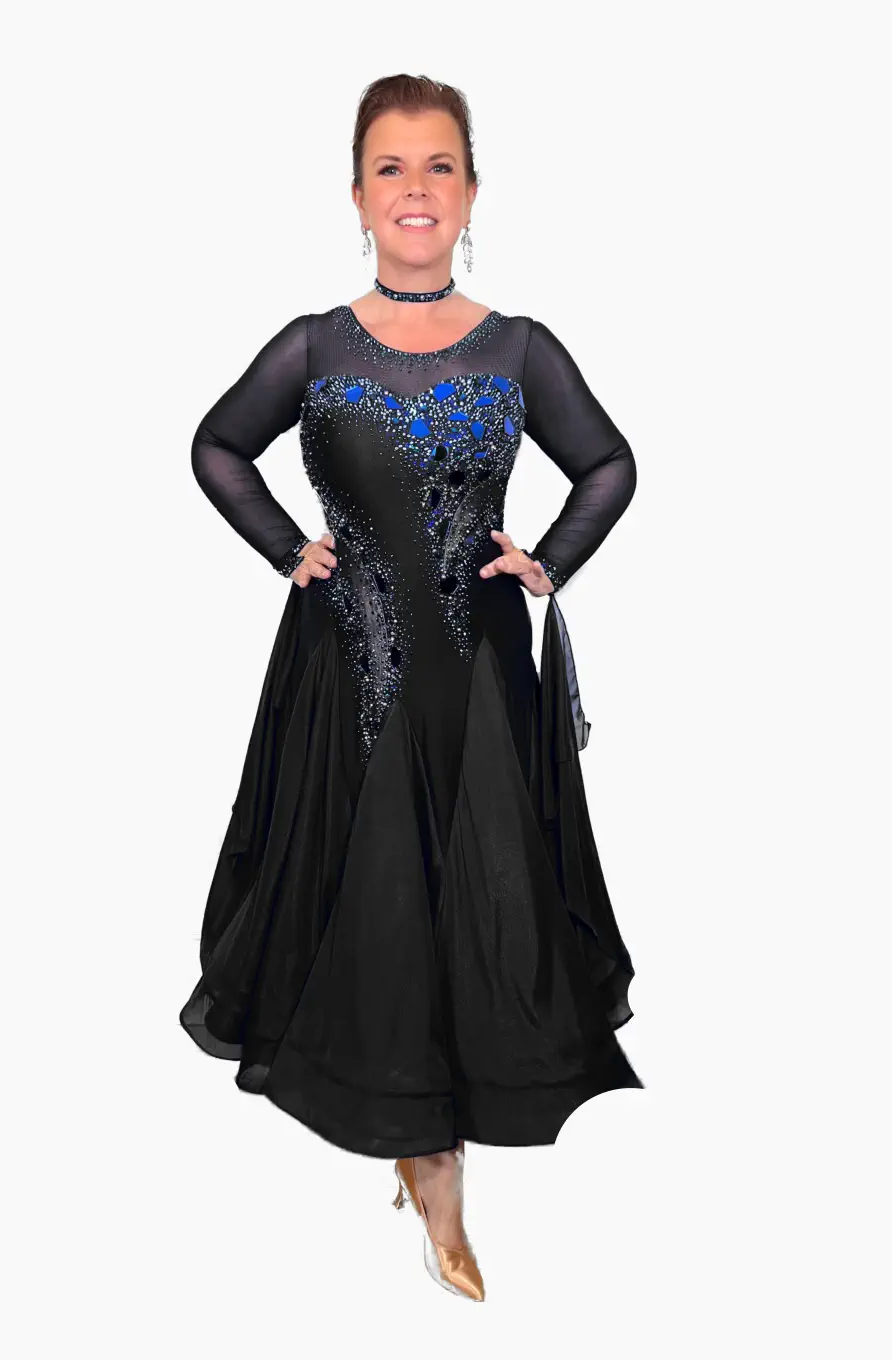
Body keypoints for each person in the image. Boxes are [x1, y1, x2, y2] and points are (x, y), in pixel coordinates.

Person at [179, 73, 643, 1302]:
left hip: (480, 683)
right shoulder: (313, 343)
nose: (417, 189)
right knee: (379, 904)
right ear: (358, 195)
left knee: (478, 907)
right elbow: (216, 445)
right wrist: (287, 548)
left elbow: (607, 464)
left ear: (472, 192)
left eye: (440, 165)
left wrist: (549, 559)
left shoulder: (520, 347)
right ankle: (427, 1166)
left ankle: (436, 1154)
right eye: (392, 167)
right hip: (345, 675)